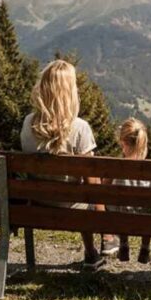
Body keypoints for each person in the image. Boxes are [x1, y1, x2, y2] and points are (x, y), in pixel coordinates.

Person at [19, 59, 106, 270]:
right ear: (70, 91)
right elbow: (91, 180)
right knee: (91, 194)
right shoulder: (80, 128)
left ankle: (90, 253)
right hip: (72, 208)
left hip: (37, 204)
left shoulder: (28, 122)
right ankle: (91, 252)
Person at [113, 118, 151, 264]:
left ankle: (123, 244)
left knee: (118, 205)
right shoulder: (150, 171)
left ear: (123, 142)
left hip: (122, 214)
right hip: (145, 215)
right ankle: (145, 247)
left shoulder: (117, 167)